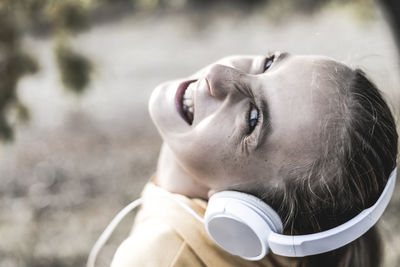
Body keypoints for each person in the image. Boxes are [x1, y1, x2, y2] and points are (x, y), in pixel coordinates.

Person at [111, 52, 398, 267]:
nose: (216, 73)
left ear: (244, 211)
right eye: (268, 64)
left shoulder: (153, 257)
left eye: (252, 118)